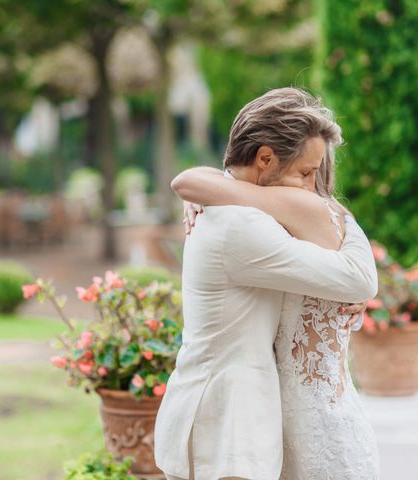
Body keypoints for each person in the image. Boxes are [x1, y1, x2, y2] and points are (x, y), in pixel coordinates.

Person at [154, 87, 379, 480]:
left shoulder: (231, 206)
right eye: (305, 174)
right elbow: (359, 279)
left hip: (238, 425)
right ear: (265, 158)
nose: (311, 191)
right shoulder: (241, 225)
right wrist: (341, 218)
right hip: (225, 430)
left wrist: (221, 188)